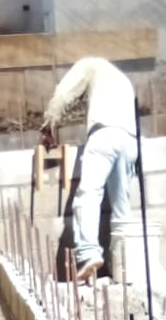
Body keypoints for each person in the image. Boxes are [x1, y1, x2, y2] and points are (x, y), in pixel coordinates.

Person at [40, 56, 138, 283]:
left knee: (88, 196)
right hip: (130, 140)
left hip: (104, 135)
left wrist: (49, 126)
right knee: (121, 207)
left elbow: (65, 94)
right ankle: (124, 266)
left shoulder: (89, 65)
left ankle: (89, 253)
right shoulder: (122, 79)